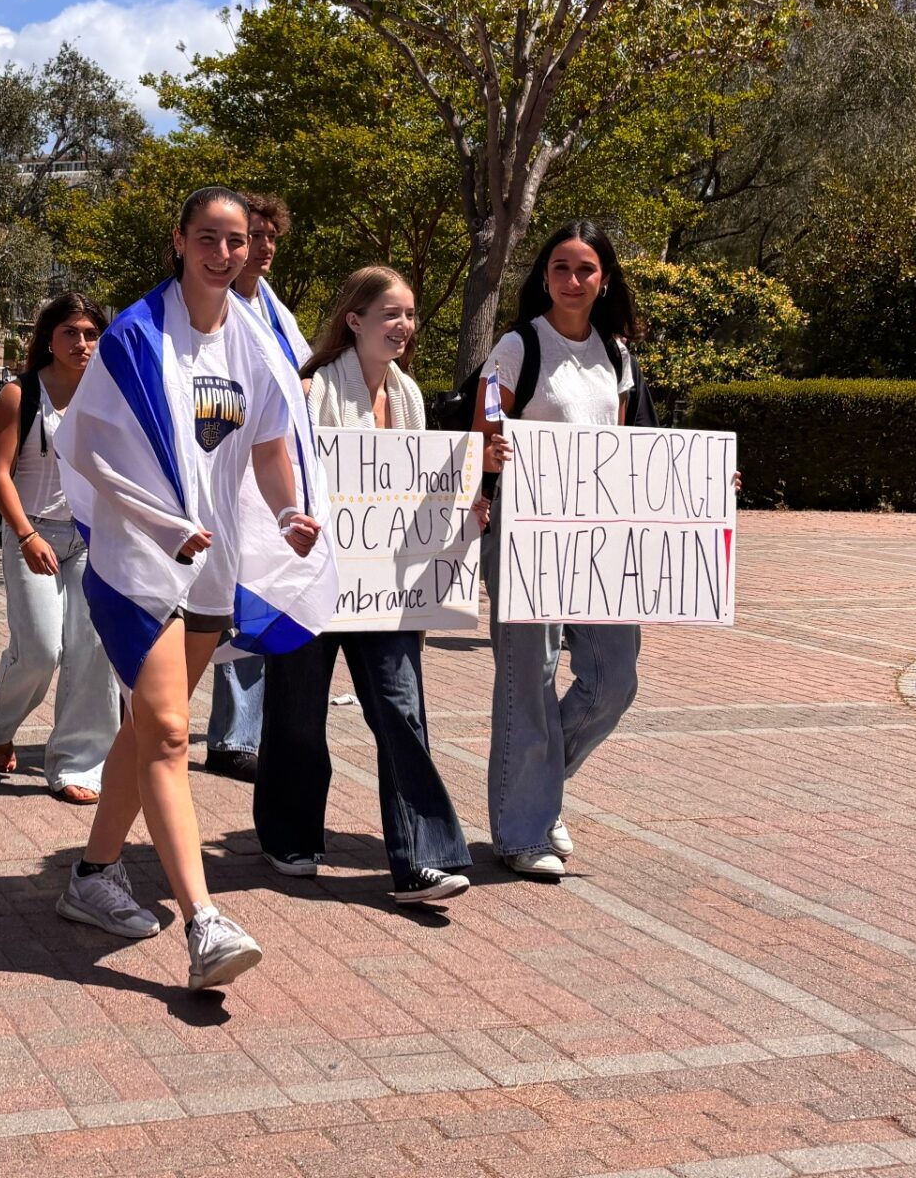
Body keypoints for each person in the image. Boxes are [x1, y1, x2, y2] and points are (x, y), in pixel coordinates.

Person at [52, 186, 334, 991]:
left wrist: (288, 514)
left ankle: (92, 877)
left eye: (236, 240)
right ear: (179, 242)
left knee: (145, 736)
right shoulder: (136, 339)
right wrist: (157, 519)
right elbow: (86, 451)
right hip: (136, 566)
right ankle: (204, 923)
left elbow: (271, 444)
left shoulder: (254, 344)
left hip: (214, 563)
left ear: (252, 248)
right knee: (172, 733)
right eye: (207, 238)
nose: (222, 253)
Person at [254, 268, 473, 902]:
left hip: (385, 593)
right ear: (355, 320)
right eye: (391, 315)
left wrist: (462, 512)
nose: (404, 326)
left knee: (401, 711)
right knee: (297, 716)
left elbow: (415, 494)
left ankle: (421, 859)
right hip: (309, 580)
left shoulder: (409, 396)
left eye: (410, 314)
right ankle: (288, 834)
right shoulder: (311, 390)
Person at [474, 220, 643, 879]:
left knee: (613, 678)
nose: (573, 281)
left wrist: (706, 484)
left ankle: (536, 795)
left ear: (605, 281)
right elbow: (486, 431)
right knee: (529, 679)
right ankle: (521, 834)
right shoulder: (518, 348)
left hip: (599, 535)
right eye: (561, 269)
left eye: (586, 270)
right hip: (525, 529)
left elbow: (623, 451)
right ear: (544, 276)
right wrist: (488, 454)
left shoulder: (617, 355)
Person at [0, 293, 119, 803]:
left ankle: (78, 764)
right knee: (41, 648)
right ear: (49, 340)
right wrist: (27, 536)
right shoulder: (21, 394)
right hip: (31, 532)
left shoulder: (110, 395)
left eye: (90, 333)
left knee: (92, 650)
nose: (81, 343)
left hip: (90, 538)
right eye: (70, 333)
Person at [206, 192, 310, 782]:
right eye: (256, 236)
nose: (265, 248)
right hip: (223, 478)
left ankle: (237, 734)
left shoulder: (276, 312)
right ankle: (217, 734)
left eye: (271, 238)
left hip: (269, 479)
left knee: (256, 600)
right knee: (217, 605)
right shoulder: (211, 310)